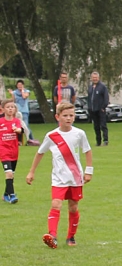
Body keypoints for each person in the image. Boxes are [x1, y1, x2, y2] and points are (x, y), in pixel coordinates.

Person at [26, 101, 93, 248]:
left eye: (71, 115)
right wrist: (31, 171)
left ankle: (71, 237)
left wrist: (89, 171)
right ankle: (52, 236)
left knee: (73, 207)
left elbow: (87, 151)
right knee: (56, 204)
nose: (68, 118)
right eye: (65, 115)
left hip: (75, 177)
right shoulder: (52, 136)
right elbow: (40, 153)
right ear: (57, 117)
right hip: (58, 178)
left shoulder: (79, 133)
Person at [1, 99, 24, 203]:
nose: (10, 109)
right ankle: (12, 195)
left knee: (11, 175)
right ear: (3, 109)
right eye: (8, 107)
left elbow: (20, 130)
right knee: (9, 173)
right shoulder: (1, 122)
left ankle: (6, 194)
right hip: (3, 151)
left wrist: (19, 130)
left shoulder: (16, 121)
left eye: (12, 107)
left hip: (14, 151)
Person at [87, 71, 110, 147]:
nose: (95, 79)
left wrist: (103, 107)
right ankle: (98, 141)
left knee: (103, 125)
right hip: (93, 110)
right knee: (96, 126)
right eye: (93, 77)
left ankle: (105, 140)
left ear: (98, 78)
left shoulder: (102, 87)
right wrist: (89, 107)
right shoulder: (90, 87)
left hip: (100, 110)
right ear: (91, 78)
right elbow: (89, 98)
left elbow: (106, 98)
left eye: (96, 77)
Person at [11, 79, 36, 144]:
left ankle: (31, 139)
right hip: (17, 112)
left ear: (23, 85)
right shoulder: (14, 92)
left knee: (26, 126)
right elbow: (13, 101)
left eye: (21, 85)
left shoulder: (27, 91)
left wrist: (22, 90)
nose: (19, 86)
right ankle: (18, 141)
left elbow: (24, 97)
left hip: (24, 111)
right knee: (17, 126)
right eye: (18, 85)